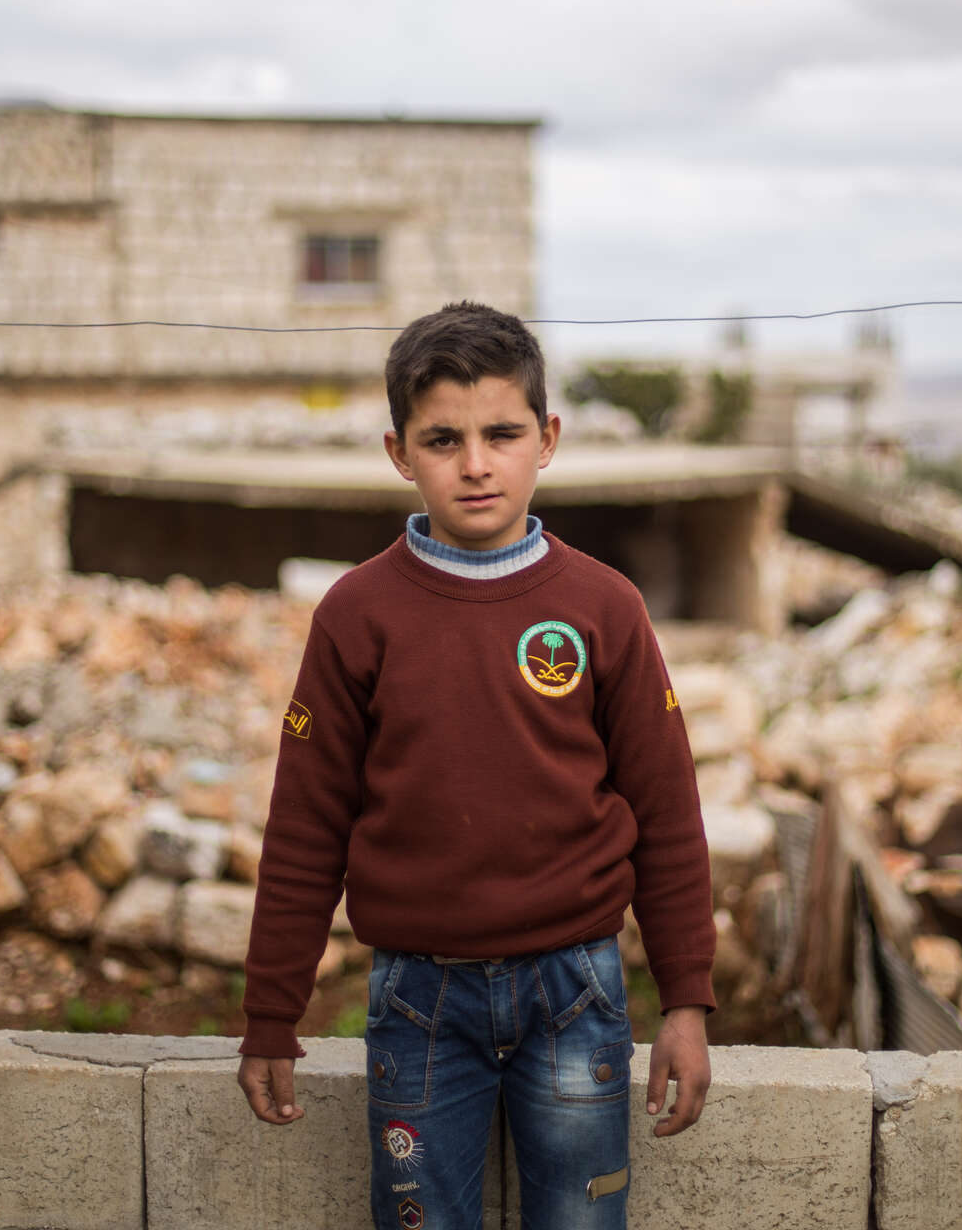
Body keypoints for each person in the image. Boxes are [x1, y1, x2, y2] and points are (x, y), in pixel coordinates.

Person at [237, 301, 716, 1230]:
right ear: (398, 452)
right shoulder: (357, 615)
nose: (476, 463)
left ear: (548, 438)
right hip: (419, 997)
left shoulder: (603, 607)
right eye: (443, 438)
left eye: (502, 433)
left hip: (578, 991)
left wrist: (686, 1002)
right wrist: (271, 1013)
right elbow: (305, 827)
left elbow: (666, 814)